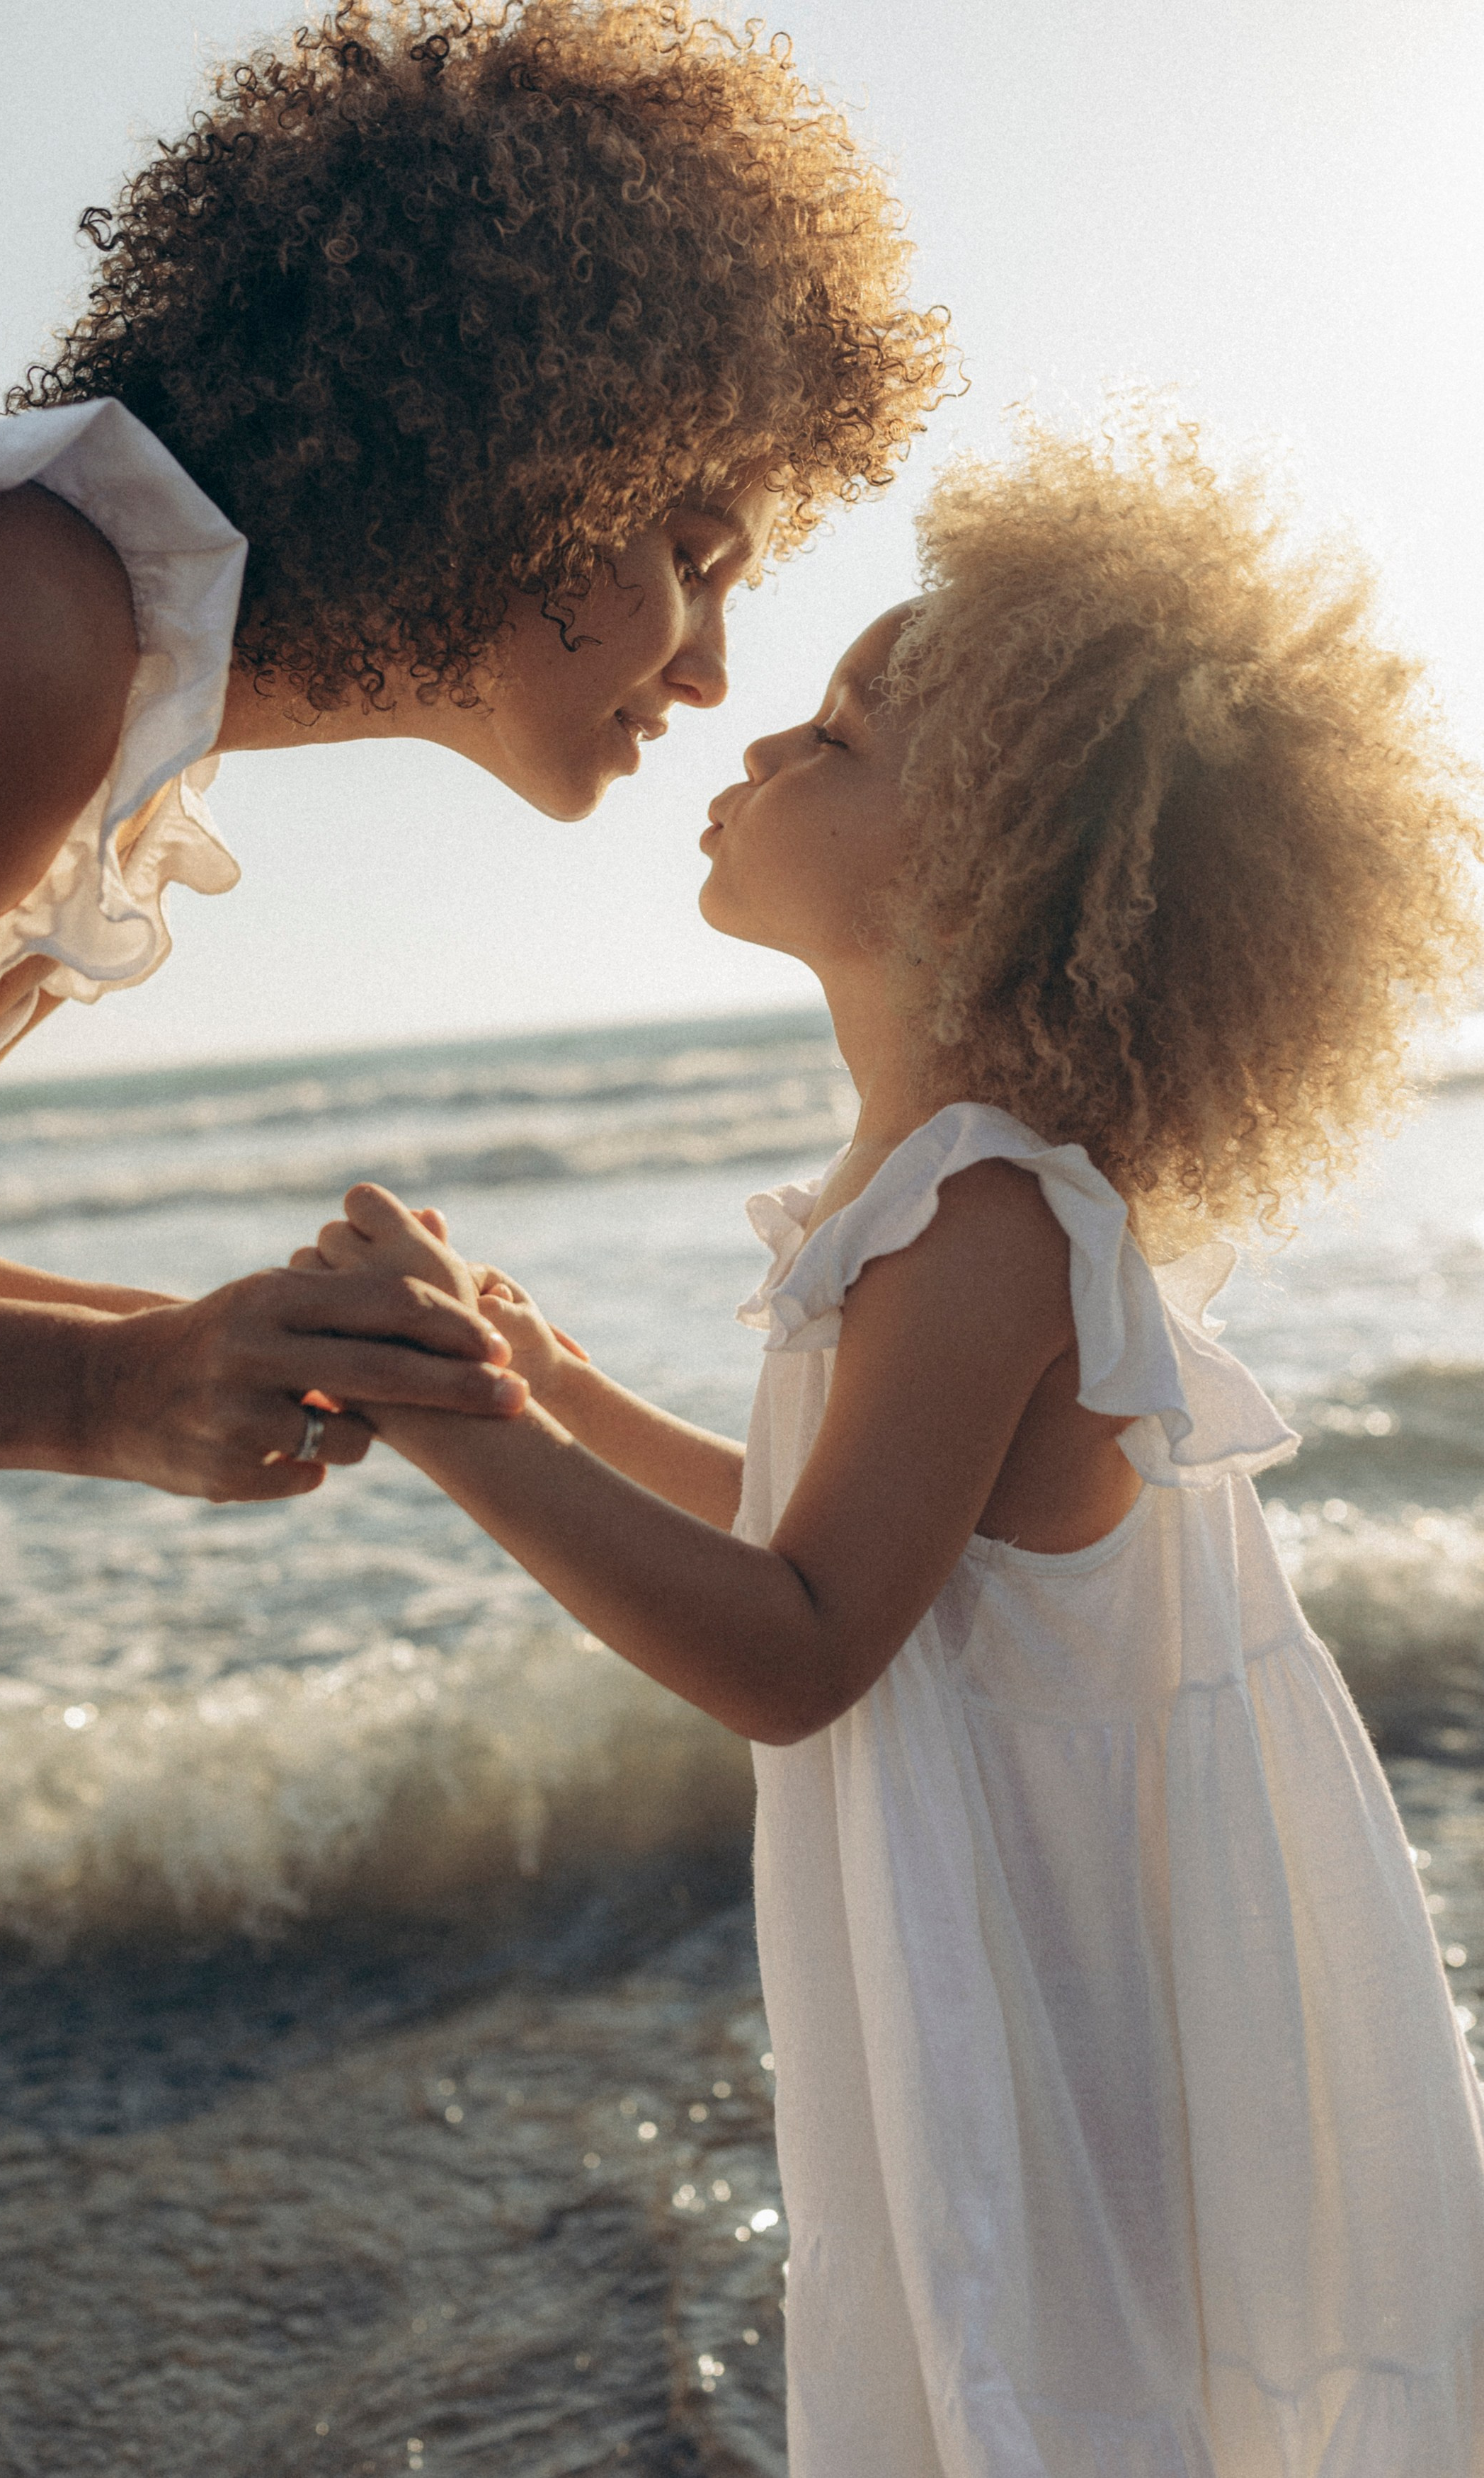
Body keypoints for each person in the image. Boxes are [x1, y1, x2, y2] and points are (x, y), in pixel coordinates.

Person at [294, 402, 1484, 2474]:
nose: (751, 737)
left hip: (1055, 2023)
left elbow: (795, 1638)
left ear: (1003, 858)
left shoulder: (988, 1217)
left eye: (833, 740)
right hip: (1019, 1976)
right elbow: (822, 1542)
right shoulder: (934, 1195)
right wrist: (554, 1392)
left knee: (1060, 2395)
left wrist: (443, 1417)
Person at [0, 0, 946, 1502]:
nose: (710, 668)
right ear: (521, 456)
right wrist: (105, 1393)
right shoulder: (22, 638)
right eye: (694, 553)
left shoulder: (124, 728)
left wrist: (222, 1348)